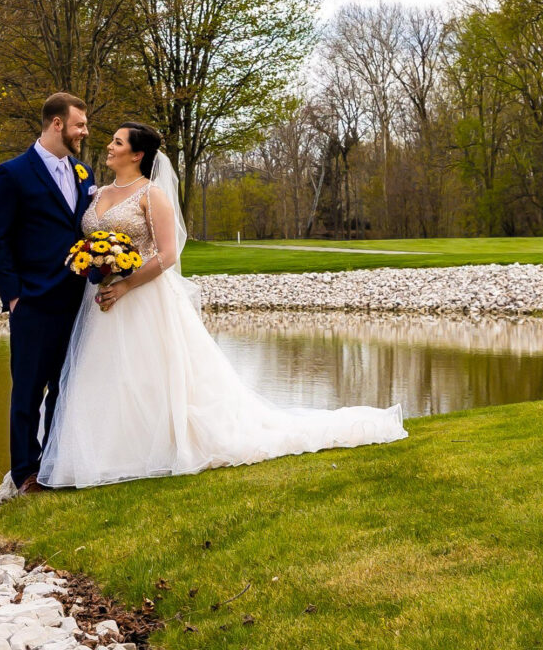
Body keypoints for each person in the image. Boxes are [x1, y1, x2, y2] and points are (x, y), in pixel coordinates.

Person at [38, 121, 405, 488]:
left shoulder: (152, 195)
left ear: (136, 154)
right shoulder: (96, 193)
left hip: (141, 298)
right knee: (105, 373)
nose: (109, 146)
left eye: (117, 142)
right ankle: (101, 453)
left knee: (144, 374)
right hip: (101, 299)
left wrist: (126, 284)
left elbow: (167, 254)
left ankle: (153, 449)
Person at [0, 92, 93, 491]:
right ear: (57, 123)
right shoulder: (13, 173)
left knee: (66, 384)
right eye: (80, 124)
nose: (85, 131)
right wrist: (13, 296)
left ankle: (54, 462)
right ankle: (25, 472)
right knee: (28, 389)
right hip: (32, 300)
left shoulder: (85, 173)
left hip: (77, 300)